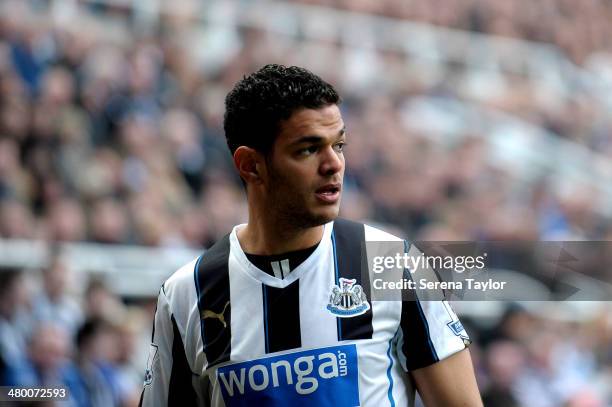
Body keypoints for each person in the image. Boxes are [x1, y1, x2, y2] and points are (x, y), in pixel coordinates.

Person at [140, 64, 482, 406]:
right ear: (251, 165)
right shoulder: (186, 294)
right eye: (308, 149)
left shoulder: (391, 264)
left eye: (339, 145)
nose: (334, 164)